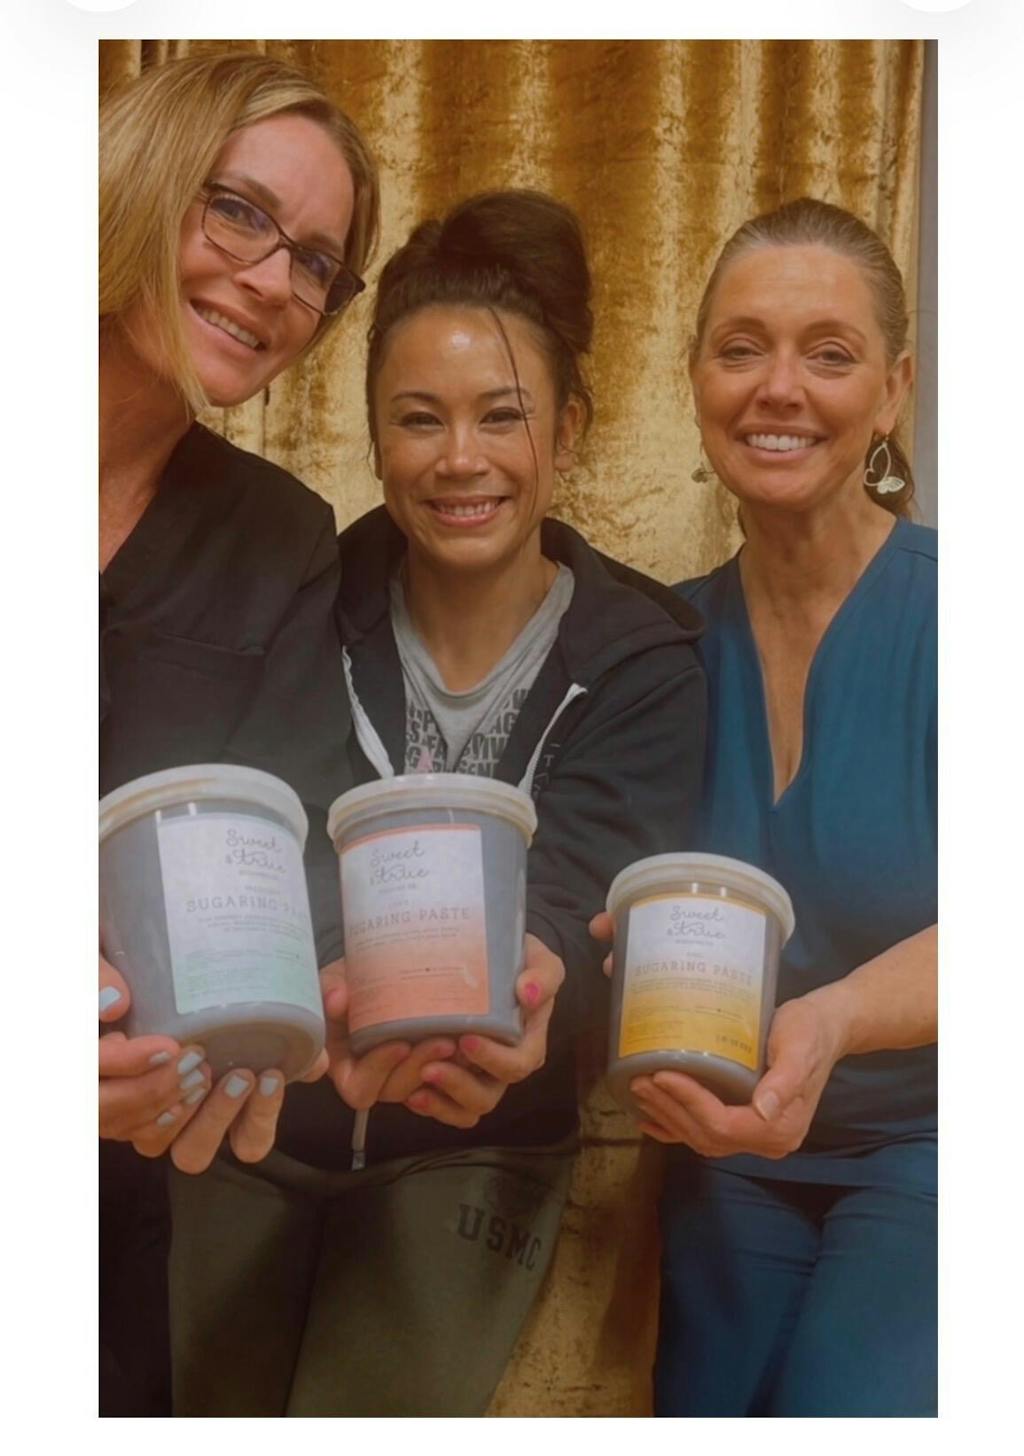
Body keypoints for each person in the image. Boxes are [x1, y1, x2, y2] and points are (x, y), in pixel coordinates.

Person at [165, 189, 708, 1417]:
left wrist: (536, 983)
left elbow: (581, 896)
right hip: (264, 1111)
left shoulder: (644, 661)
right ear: (373, 438)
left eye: (500, 415)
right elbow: (261, 830)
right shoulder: (300, 590)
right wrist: (325, 993)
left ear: (568, 430)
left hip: (479, 1135)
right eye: (419, 418)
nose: (460, 458)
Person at [98, 52, 380, 1414]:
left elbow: (286, 844)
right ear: (139, 178)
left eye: (317, 262)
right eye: (239, 211)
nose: (273, 282)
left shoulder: (278, 537)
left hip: (115, 1179)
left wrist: (344, 998)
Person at [622, 198, 936, 1416]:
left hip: (942, 1140)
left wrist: (838, 1019)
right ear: (696, 377)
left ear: (892, 390)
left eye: (829, 353)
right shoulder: (657, 646)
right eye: (741, 347)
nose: (778, 388)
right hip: (726, 1146)